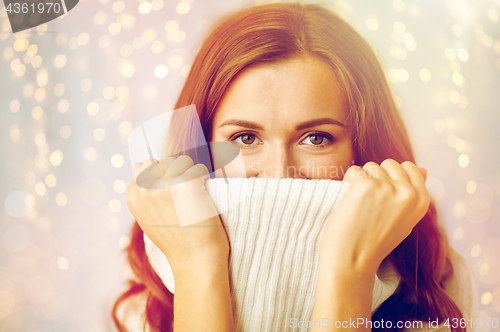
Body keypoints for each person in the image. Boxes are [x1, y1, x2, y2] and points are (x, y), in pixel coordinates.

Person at [112, 3, 477, 332]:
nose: (278, 171)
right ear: (201, 149)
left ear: (363, 150)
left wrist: (349, 266)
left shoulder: (434, 284)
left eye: (316, 138)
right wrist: (197, 264)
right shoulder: (149, 297)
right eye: (245, 138)